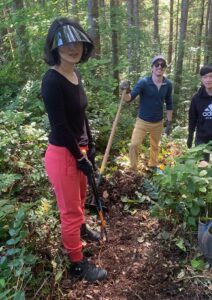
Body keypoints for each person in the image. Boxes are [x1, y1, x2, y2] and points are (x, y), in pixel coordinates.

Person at [41, 17, 107, 282]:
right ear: (55, 48)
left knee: (79, 203)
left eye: (77, 42)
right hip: (63, 154)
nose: (73, 48)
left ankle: (80, 230)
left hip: (78, 151)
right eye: (66, 44)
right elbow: (60, 126)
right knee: (70, 211)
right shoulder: (52, 81)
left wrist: (89, 147)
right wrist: (79, 157)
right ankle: (77, 264)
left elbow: (81, 115)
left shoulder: (75, 74)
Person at [120, 55, 173, 171]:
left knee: (155, 146)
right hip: (142, 121)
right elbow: (129, 99)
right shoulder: (143, 82)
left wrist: (169, 123)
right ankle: (133, 168)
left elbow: (169, 103)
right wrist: (125, 90)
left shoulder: (168, 84)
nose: (160, 67)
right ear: (152, 68)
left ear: (165, 68)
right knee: (134, 144)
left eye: (162, 65)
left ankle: (153, 165)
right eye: (157, 64)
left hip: (158, 122)